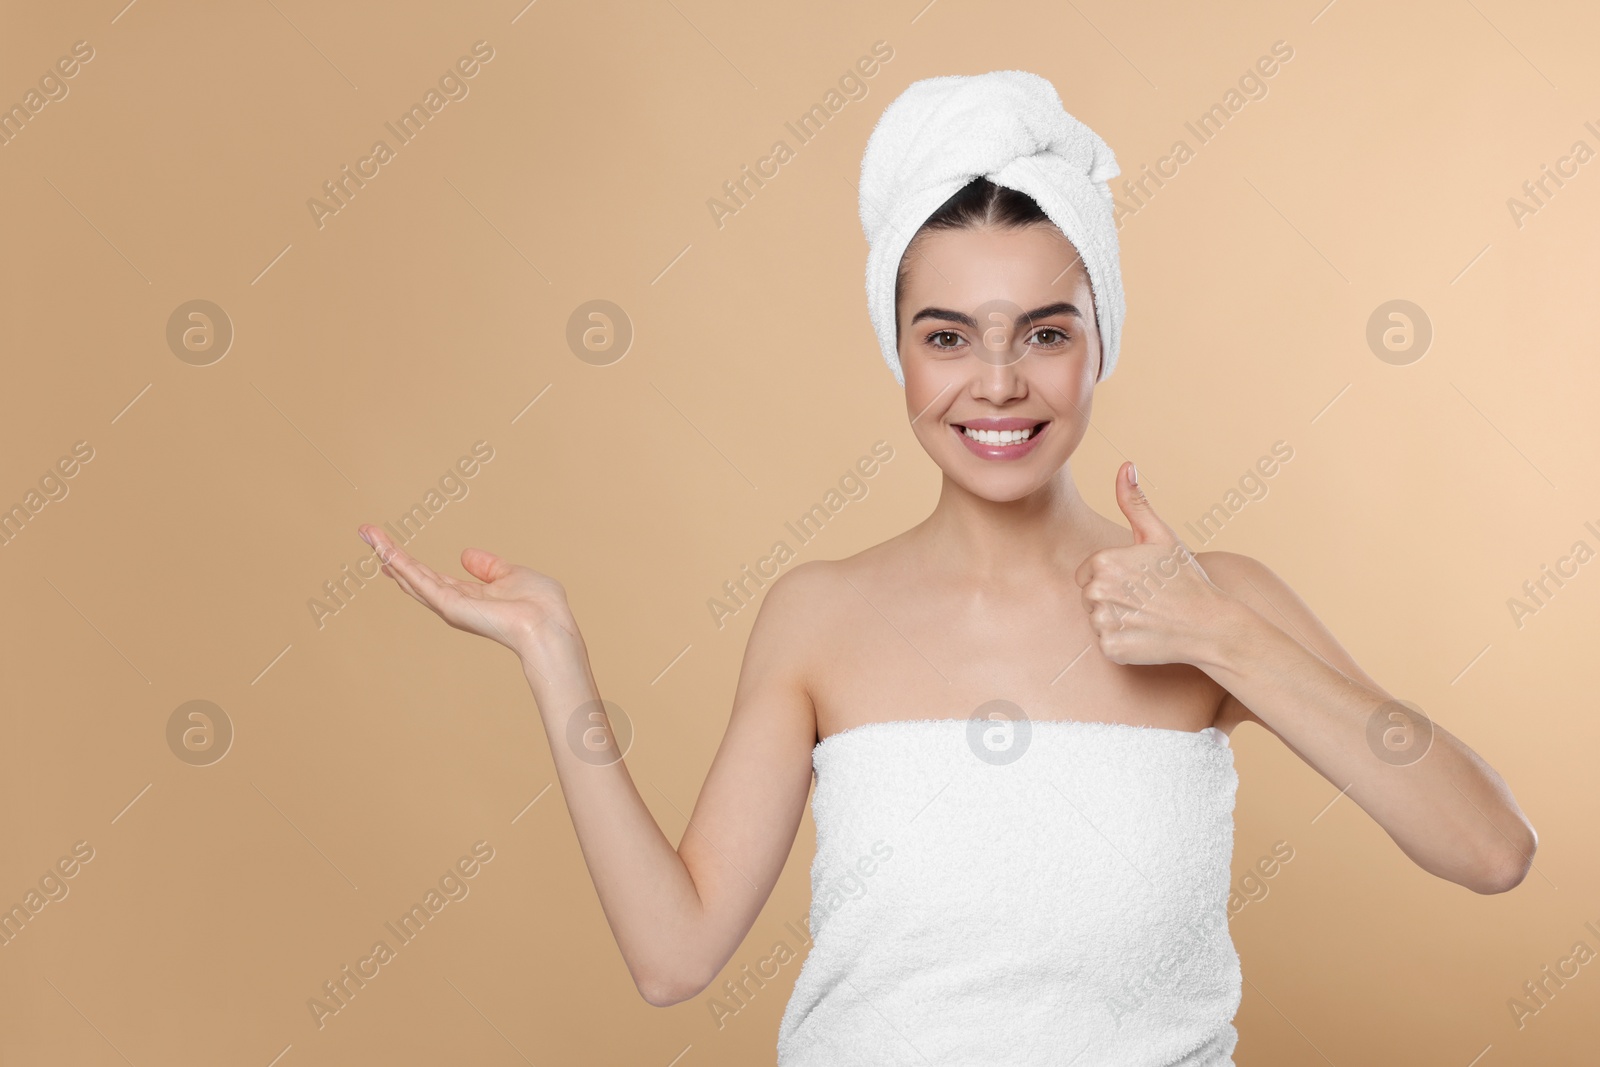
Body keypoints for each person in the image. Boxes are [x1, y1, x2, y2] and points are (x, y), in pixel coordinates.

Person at [357, 71, 1536, 1066]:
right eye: (946, 336)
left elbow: (1488, 848)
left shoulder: (1214, 604)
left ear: (1098, 338)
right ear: (901, 353)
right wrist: (555, 659)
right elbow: (675, 955)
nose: (998, 383)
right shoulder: (816, 616)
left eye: (1045, 330)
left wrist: (1221, 636)